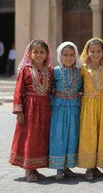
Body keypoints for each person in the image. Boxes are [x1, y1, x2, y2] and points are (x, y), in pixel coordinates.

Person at [9, 39, 53, 182]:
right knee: (30, 137)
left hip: (45, 108)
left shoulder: (50, 71)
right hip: (30, 109)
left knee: (40, 137)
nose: (39, 55)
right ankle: (28, 169)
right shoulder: (25, 70)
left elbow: (52, 90)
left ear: (47, 54)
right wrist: (19, 111)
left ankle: (35, 168)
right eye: (35, 52)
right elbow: (18, 91)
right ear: (30, 53)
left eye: (42, 52)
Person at [77, 38, 103, 181]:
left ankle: (98, 164)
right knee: (89, 134)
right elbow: (78, 86)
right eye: (92, 51)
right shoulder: (83, 68)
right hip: (89, 106)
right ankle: (89, 167)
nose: (95, 54)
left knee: (102, 133)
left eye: (98, 51)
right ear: (87, 52)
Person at [49, 42, 82, 180]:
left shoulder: (80, 72)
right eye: (65, 55)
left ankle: (67, 166)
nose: (68, 58)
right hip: (59, 108)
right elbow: (49, 90)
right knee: (59, 136)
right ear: (59, 56)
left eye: (71, 55)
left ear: (75, 56)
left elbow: (81, 89)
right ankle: (58, 168)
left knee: (72, 136)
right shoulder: (55, 71)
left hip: (74, 107)